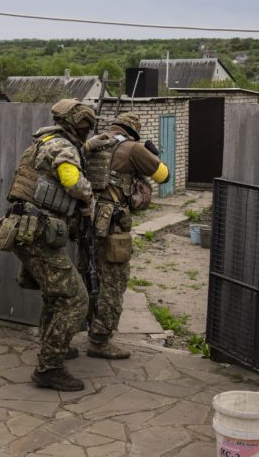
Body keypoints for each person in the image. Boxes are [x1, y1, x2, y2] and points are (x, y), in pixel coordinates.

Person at [0, 99, 96, 391]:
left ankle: (55, 344)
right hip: (38, 231)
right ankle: (49, 367)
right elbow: (72, 181)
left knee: (55, 295)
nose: (87, 132)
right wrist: (89, 196)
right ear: (80, 125)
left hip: (27, 228)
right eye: (86, 127)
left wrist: (90, 148)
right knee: (76, 300)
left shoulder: (46, 141)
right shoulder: (63, 147)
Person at [81, 112, 169, 359]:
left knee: (86, 277)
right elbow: (164, 176)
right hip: (112, 225)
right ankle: (100, 341)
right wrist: (151, 155)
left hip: (85, 219)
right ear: (133, 131)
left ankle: (69, 334)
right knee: (113, 281)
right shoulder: (132, 148)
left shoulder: (92, 144)